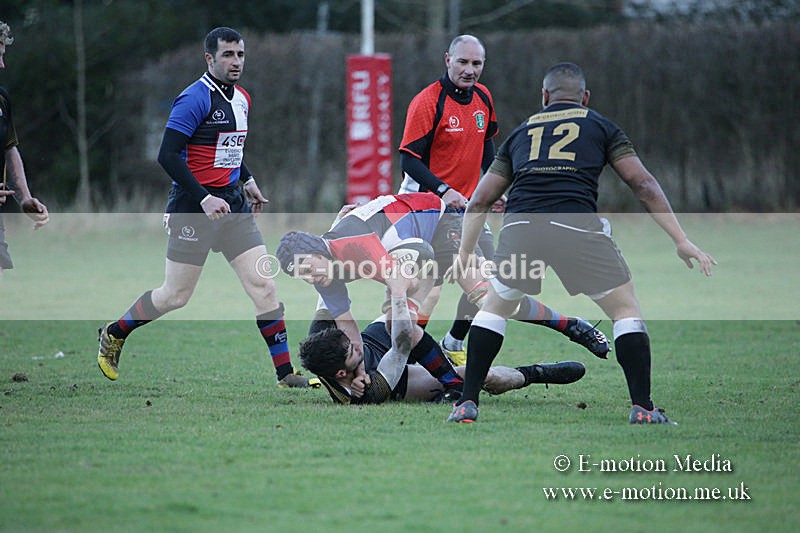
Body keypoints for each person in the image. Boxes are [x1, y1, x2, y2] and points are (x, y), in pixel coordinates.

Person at [448, 62, 717, 425]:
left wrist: (465, 254)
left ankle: (466, 405)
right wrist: (681, 239)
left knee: (493, 309)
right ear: (585, 98)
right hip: (576, 227)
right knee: (624, 312)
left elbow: (480, 200)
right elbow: (644, 185)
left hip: (522, 227)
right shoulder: (601, 126)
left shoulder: (522, 131)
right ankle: (643, 409)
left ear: (544, 97)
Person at [97, 27, 311, 388]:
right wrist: (202, 196)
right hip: (192, 207)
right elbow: (167, 155)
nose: (236, 62)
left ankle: (285, 374)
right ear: (209, 59)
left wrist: (247, 179)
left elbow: (230, 149)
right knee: (175, 296)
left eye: (240, 55)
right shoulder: (193, 99)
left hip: (232, 206)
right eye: (227, 55)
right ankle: (115, 333)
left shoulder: (242, 98)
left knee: (264, 285)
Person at [276, 192, 609, 379]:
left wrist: (399, 322)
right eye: (300, 275)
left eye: (308, 268)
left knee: (484, 296)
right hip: (409, 242)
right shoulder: (326, 274)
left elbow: (402, 280)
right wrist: (357, 369)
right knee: (401, 314)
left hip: (441, 220)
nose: (309, 277)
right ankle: (437, 373)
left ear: (319, 249)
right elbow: (346, 325)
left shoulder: (355, 243)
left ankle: (572, 326)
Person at [397, 34, 503, 364]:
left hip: (467, 208)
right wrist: (444, 190)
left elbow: (487, 148)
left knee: (492, 280)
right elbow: (409, 160)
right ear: (447, 60)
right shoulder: (428, 101)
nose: (469, 70)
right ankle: (408, 357)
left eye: (476, 63)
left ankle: (454, 341)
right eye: (463, 62)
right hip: (425, 209)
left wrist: (494, 188)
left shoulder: (483, 97)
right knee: (427, 288)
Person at [298, 294, 586, 405]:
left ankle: (448, 368)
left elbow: (326, 293)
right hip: (397, 375)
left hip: (380, 342)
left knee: (400, 318)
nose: (354, 343)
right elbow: (400, 346)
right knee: (477, 376)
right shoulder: (369, 392)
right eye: (352, 353)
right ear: (339, 373)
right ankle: (533, 373)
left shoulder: (322, 341)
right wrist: (397, 295)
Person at [0, 20, 50, 276]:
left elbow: (9, 149)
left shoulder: (1, 98)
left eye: (2, 56)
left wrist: (25, 198)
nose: (2, 65)